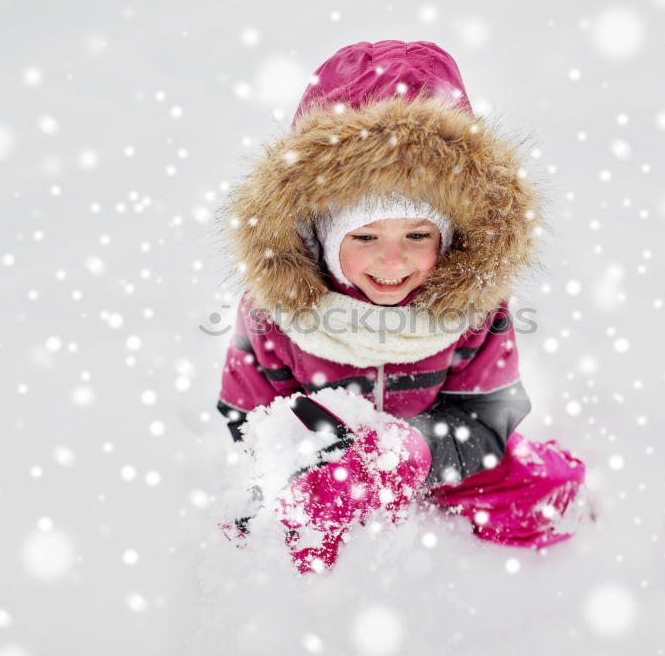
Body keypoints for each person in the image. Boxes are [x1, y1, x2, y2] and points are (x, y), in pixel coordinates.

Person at [216, 40, 589, 573]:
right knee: (262, 531)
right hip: (322, 461)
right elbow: (248, 417)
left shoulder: (473, 304)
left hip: (439, 453)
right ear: (320, 237)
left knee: (544, 492)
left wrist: (408, 456)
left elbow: (488, 418)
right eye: (364, 237)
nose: (393, 261)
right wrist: (317, 471)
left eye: (418, 233)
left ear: (451, 236)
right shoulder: (277, 311)